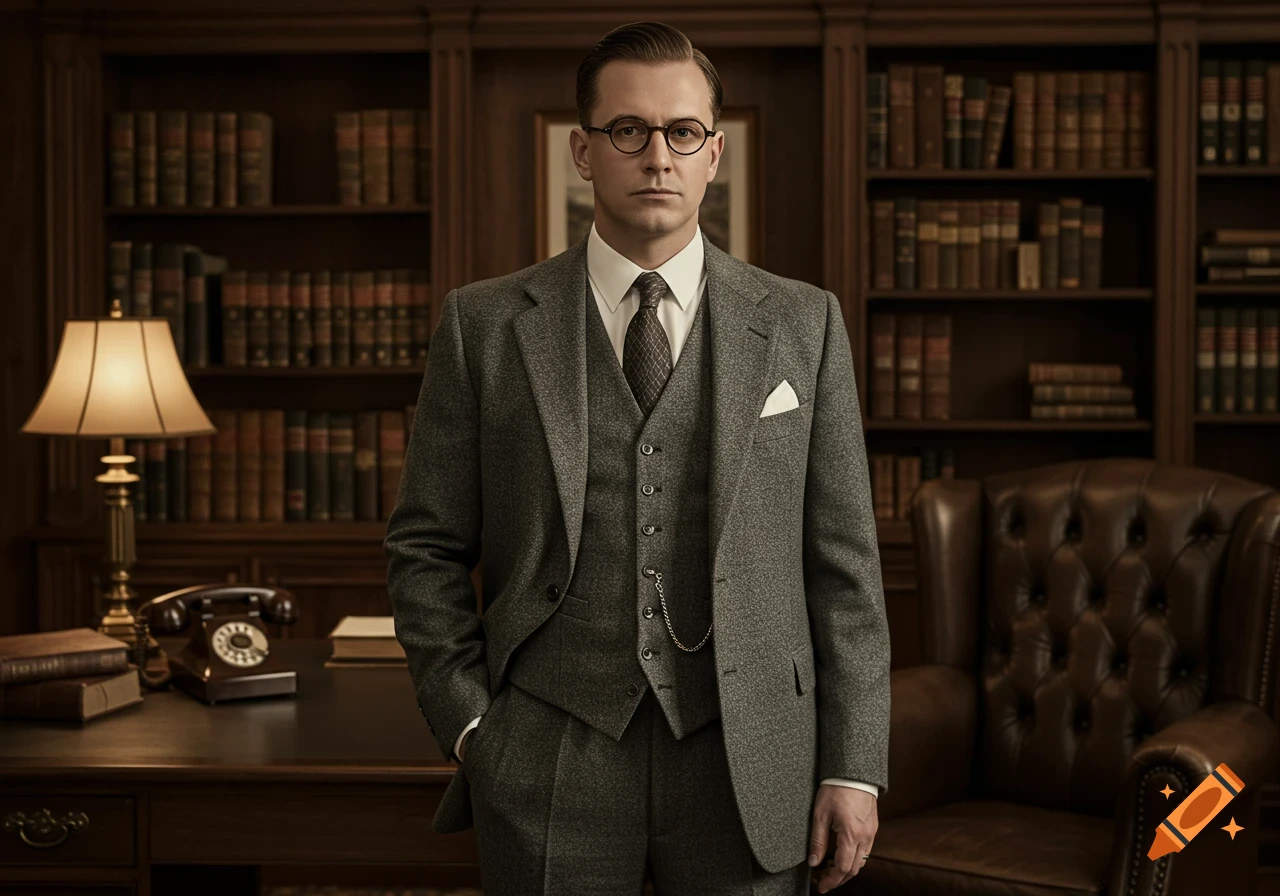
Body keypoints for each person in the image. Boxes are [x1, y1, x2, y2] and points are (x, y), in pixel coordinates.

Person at [384, 20, 890, 896]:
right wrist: (473, 729)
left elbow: (844, 567)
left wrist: (853, 766)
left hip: (751, 758)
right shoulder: (485, 326)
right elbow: (423, 547)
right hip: (548, 753)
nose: (657, 155)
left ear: (713, 153)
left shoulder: (804, 325)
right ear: (584, 151)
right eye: (629, 131)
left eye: (681, 132)